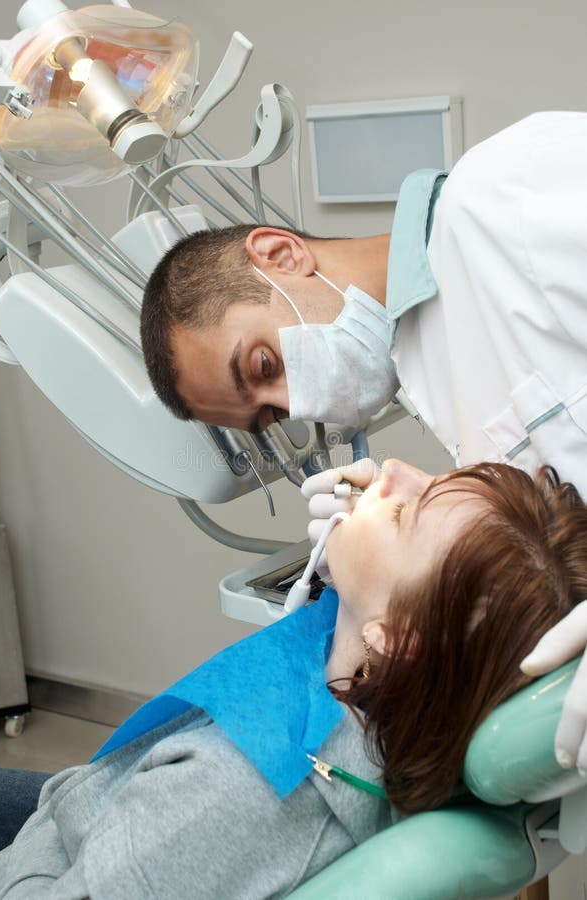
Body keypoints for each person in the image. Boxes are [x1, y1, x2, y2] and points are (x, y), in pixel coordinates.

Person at [139, 109, 587, 772]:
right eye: (271, 414)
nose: (296, 404)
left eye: (263, 366)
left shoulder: (505, 194)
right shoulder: (439, 378)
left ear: (281, 255)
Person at [0, 460, 586, 898]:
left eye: (406, 513)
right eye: (435, 477)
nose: (395, 469)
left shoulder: (225, 795)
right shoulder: (378, 695)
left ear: (398, 638)